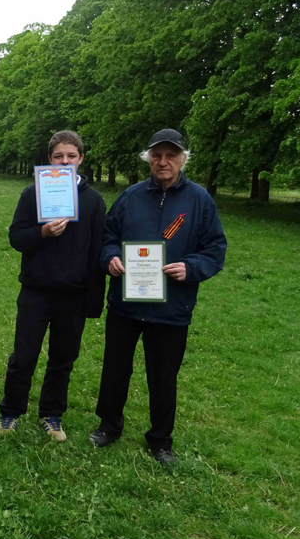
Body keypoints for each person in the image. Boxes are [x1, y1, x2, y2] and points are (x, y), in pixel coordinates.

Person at [89, 129, 227, 464]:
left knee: (164, 375)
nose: (163, 162)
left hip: (171, 307)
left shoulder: (199, 200)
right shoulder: (131, 197)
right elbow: (107, 237)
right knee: (115, 368)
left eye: (170, 155)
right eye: (156, 155)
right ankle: (109, 426)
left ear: (183, 159)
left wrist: (190, 268)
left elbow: (215, 249)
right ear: (148, 158)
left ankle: (161, 440)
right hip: (126, 303)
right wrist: (111, 259)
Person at [0, 130, 106, 442]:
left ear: (81, 159)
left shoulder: (94, 201)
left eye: (71, 156)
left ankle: (52, 414)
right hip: (36, 290)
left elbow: (98, 250)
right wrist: (41, 233)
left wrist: (94, 301)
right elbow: (16, 238)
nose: (65, 161)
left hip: (74, 294)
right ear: (49, 159)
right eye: (59, 156)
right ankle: (10, 412)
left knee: (63, 360)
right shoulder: (33, 195)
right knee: (24, 355)